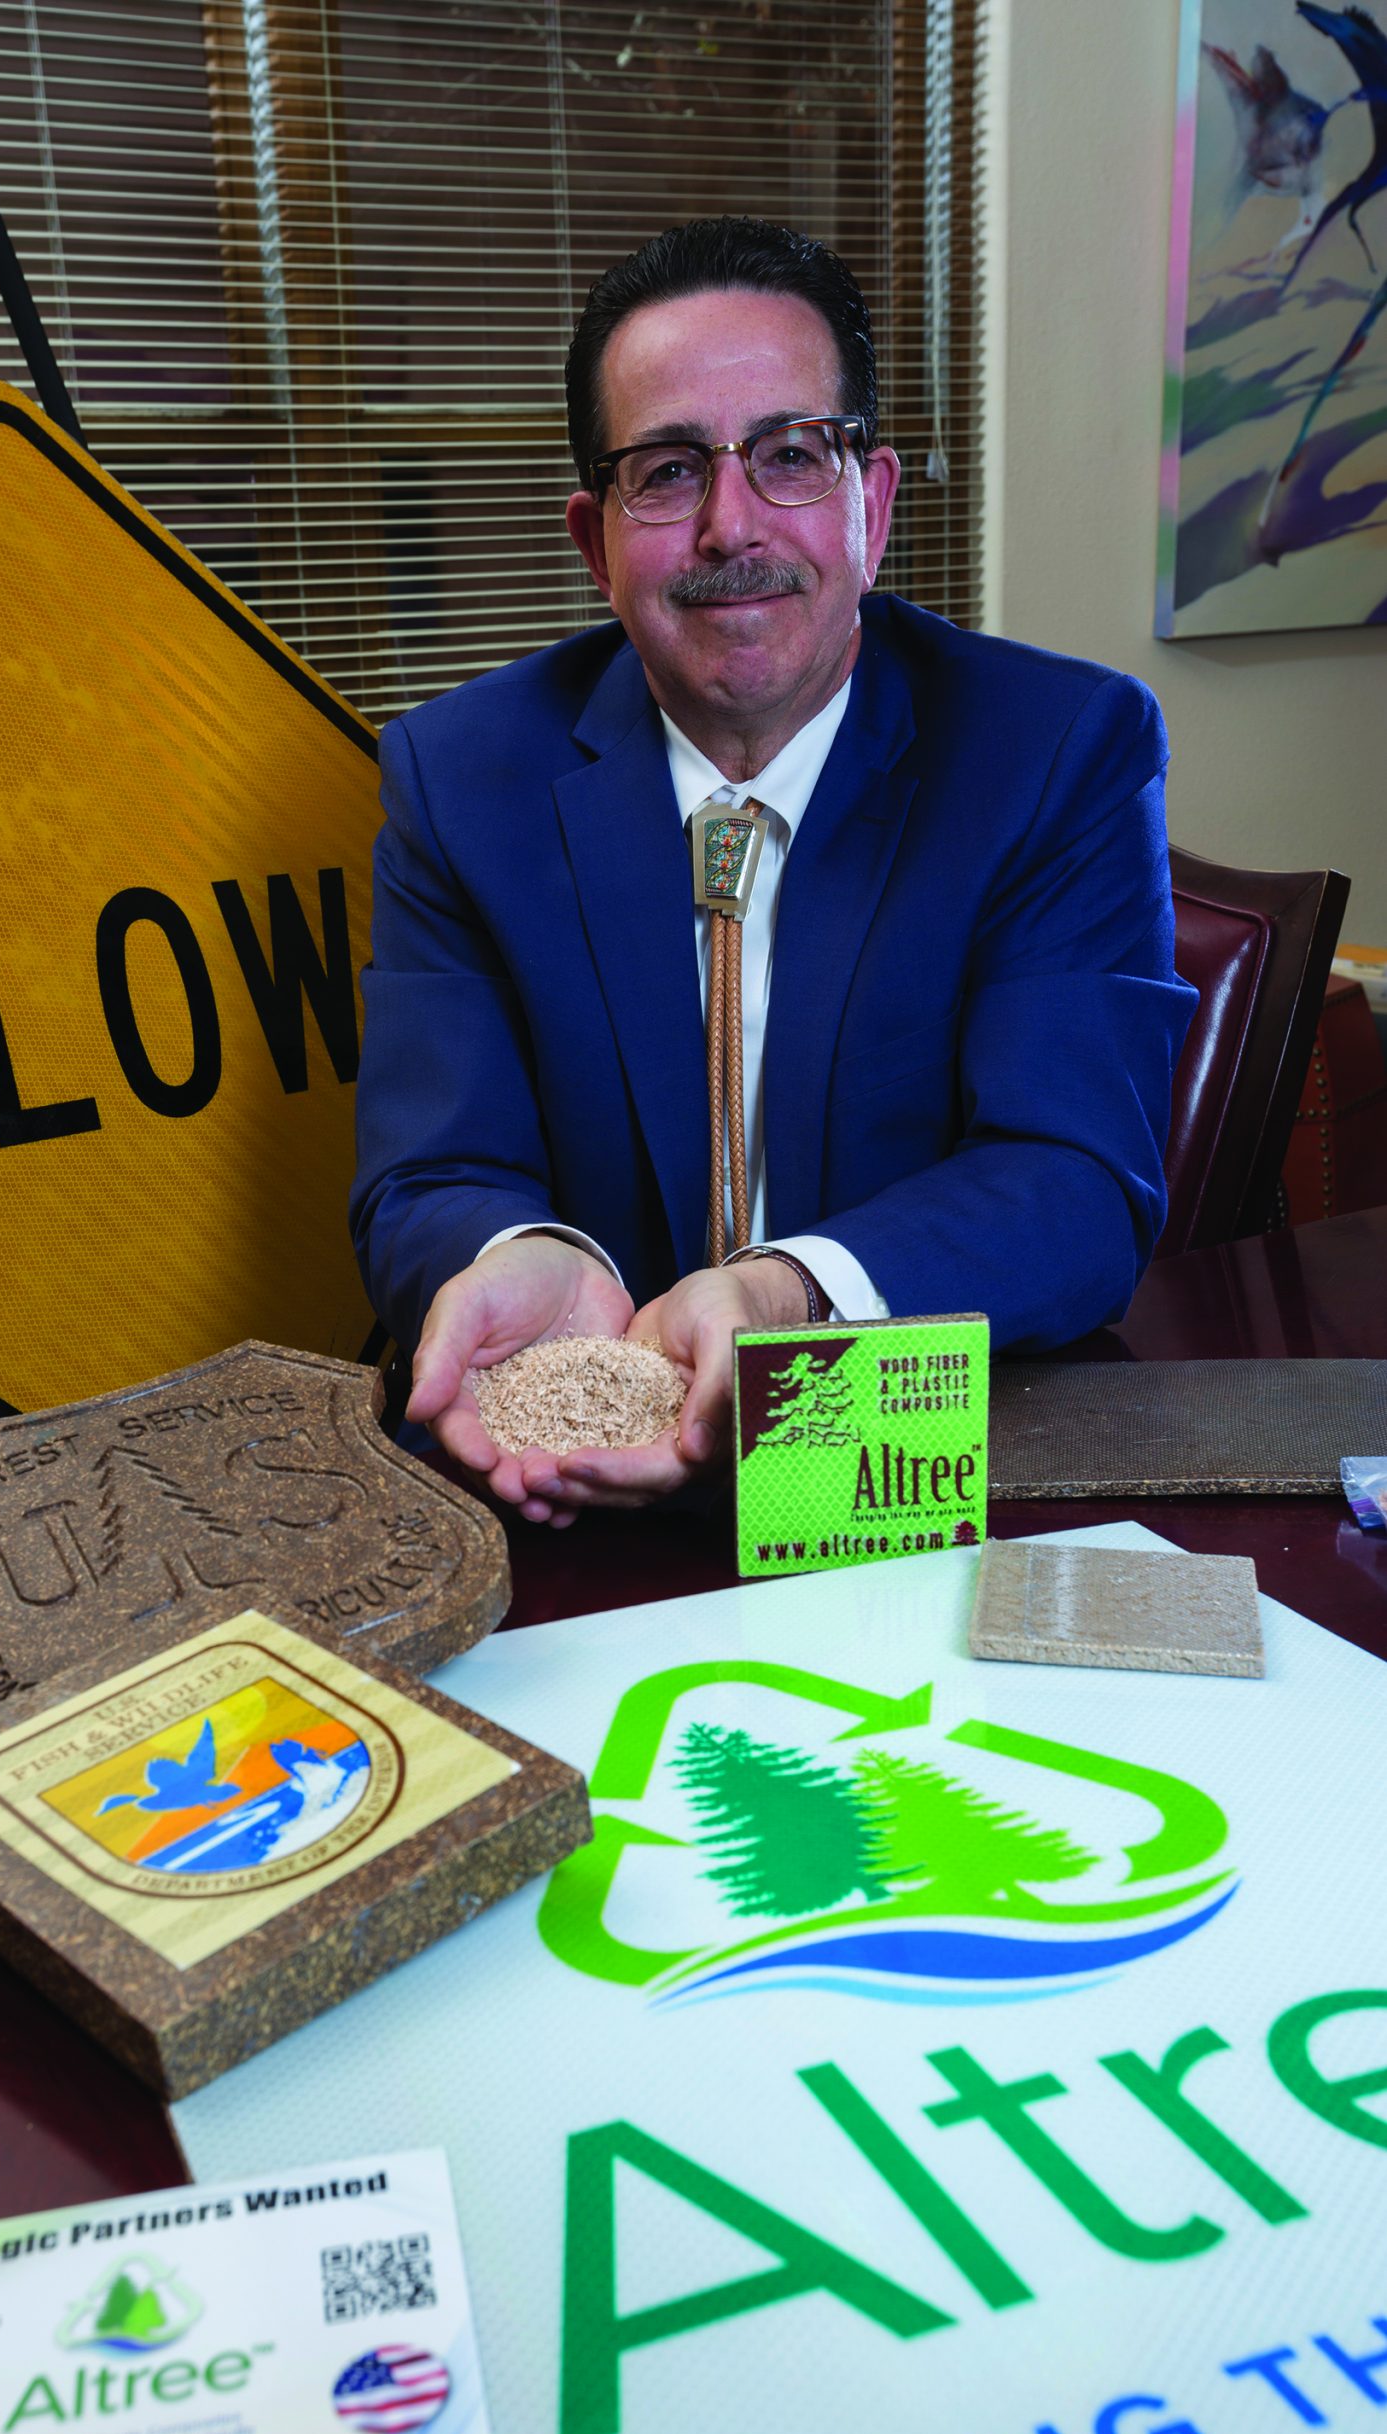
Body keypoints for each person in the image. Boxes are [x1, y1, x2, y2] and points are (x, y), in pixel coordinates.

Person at [350, 218, 1196, 1527]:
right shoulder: (460, 780)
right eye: (669, 471)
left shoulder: (1054, 750)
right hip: (574, 1479)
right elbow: (425, 1174)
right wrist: (527, 1258)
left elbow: (1077, 1179)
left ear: (875, 502)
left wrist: (783, 1299)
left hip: (914, 1444)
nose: (730, 527)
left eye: (793, 455)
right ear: (595, 539)